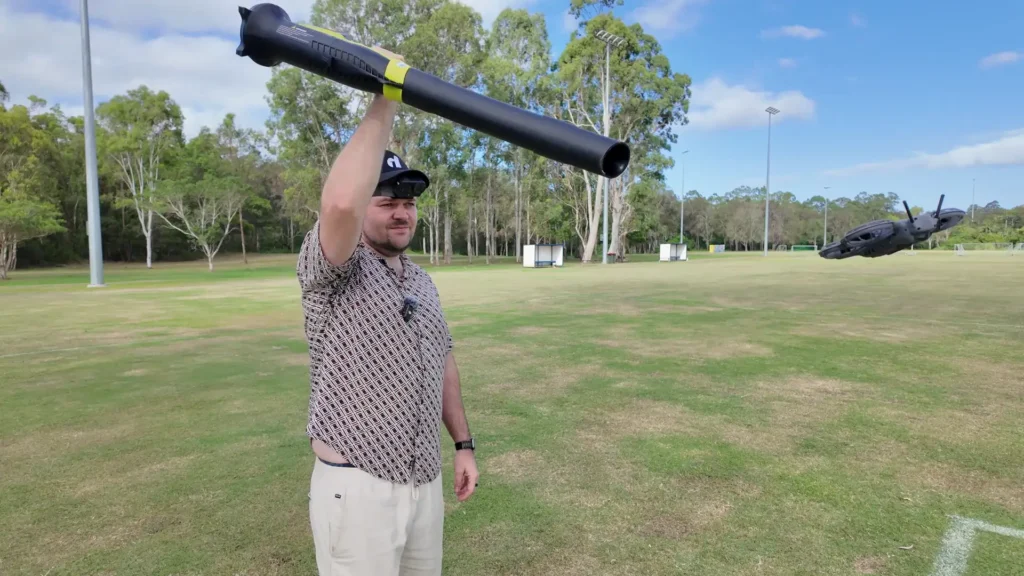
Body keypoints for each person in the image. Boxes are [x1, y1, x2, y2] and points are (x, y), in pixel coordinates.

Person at [296, 48, 478, 576]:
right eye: (387, 201)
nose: (402, 211)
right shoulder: (333, 267)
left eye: (410, 202)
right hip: (357, 485)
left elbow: (442, 362)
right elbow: (339, 207)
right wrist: (386, 98)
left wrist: (462, 444)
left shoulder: (421, 279)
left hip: (424, 480)